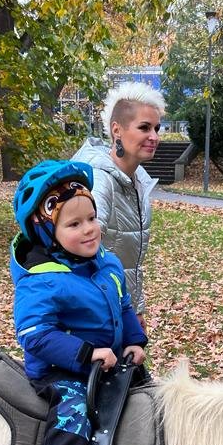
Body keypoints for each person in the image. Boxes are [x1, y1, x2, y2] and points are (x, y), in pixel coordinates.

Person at [10, 159, 148, 445]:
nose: (88, 229)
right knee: (75, 416)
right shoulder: (42, 280)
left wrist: (134, 340)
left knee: (150, 401)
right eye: (73, 224)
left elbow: (124, 306)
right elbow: (34, 335)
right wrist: (85, 354)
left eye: (91, 218)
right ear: (46, 231)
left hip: (108, 365)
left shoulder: (108, 264)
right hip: (62, 371)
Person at [72, 82, 165, 325]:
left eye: (157, 128)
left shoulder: (137, 181)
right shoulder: (99, 181)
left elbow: (129, 264)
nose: (154, 137)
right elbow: (75, 257)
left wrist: (135, 309)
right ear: (117, 130)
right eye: (144, 127)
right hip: (97, 318)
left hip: (119, 310)